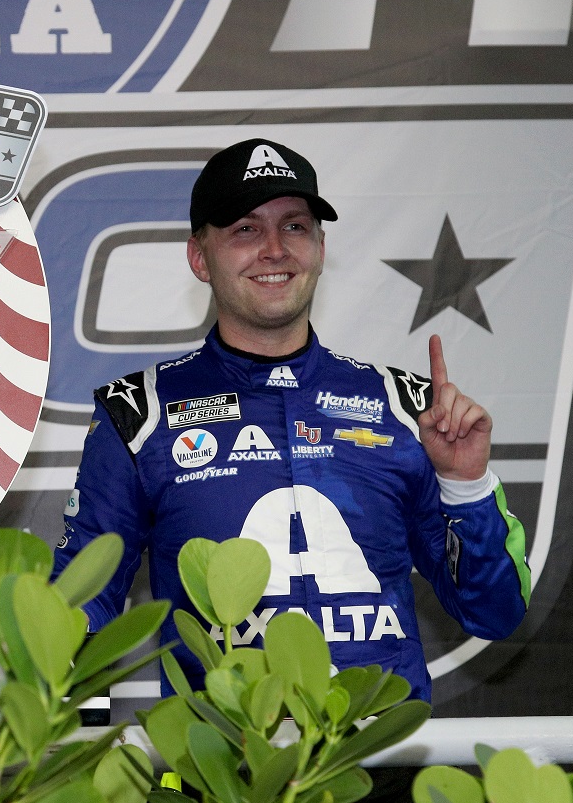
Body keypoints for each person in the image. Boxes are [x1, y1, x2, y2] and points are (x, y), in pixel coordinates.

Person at [52, 138, 531, 707]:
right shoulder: (137, 414)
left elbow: (496, 613)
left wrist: (466, 485)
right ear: (200, 257)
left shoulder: (409, 406)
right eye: (246, 230)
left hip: (375, 762)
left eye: (296, 227)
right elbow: (80, 607)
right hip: (225, 770)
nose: (275, 249)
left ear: (321, 248)